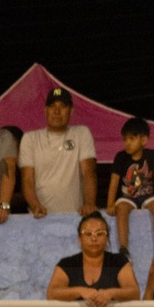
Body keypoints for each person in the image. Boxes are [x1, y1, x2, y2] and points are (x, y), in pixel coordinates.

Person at [20, 86, 99, 217]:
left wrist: (89, 203)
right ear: (45, 110)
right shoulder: (30, 138)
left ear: (71, 111)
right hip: (40, 217)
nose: (57, 111)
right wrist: (35, 205)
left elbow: (88, 172)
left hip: (75, 216)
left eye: (62, 106)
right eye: (52, 106)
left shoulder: (81, 133)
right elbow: (27, 179)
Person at [106, 116, 154, 250]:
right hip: (127, 197)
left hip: (148, 195)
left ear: (143, 140)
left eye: (131, 139)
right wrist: (110, 204)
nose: (127, 143)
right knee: (121, 209)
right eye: (124, 139)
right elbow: (114, 181)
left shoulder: (151, 155)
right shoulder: (120, 157)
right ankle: (123, 249)